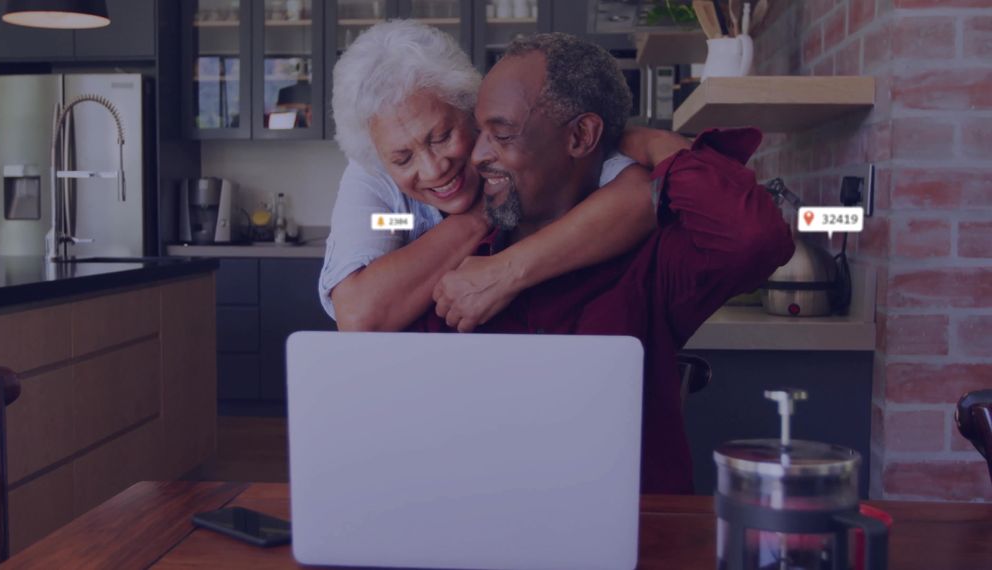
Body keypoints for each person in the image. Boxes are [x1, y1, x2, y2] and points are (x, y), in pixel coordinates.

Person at [408, 33, 795, 494]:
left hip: (639, 534)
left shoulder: (652, 262)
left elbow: (755, 239)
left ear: (581, 136)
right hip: (479, 522)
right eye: (480, 132)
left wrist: (646, 142)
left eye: (503, 133)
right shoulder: (456, 269)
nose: (477, 155)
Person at [320, 20, 658, 332]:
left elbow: (645, 196)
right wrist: (477, 217)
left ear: (471, 108)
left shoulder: (521, 147)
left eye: (441, 137)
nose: (434, 168)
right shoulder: (385, 207)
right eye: (403, 158)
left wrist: (505, 272)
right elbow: (359, 314)